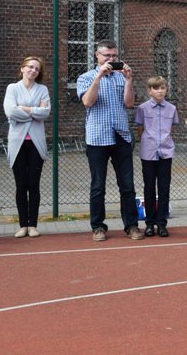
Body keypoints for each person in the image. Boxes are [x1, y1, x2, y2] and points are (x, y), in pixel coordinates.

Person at [77, 40, 144, 242]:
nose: (111, 59)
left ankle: (131, 225)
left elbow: (129, 103)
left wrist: (129, 80)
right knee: (98, 185)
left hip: (121, 136)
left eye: (114, 56)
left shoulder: (121, 77)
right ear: (97, 56)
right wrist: (98, 77)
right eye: (107, 55)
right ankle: (98, 227)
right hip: (97, 137)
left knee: (127, 185)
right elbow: (88, 102)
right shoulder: (85, 77)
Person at [4, 56, 50, 238]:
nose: (33, 71)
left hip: (36, 143)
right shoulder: (12, 88)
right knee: (21, 184)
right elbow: (10, 111)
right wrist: (34, 112)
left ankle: (33, 225)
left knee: (33, 184)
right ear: (22, 68)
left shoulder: (42, 89)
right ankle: (23, 225)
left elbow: (45, 113)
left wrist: (23, 109)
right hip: (18, 142)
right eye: (30, 67)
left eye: (37, 69)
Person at [133, 76, 179, 237]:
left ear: (166, 90)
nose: (160, 91)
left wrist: (164, 142)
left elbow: (171, 129)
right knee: (149, 187)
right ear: (149, 91)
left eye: (162, 88)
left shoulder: (172, 109)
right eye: (156, 88)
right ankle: (150, 223)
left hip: (165, 152)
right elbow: (140, 129)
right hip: (148, 152)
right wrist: (148, 142)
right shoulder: (142, 108)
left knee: (164, 188)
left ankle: (162, 223)